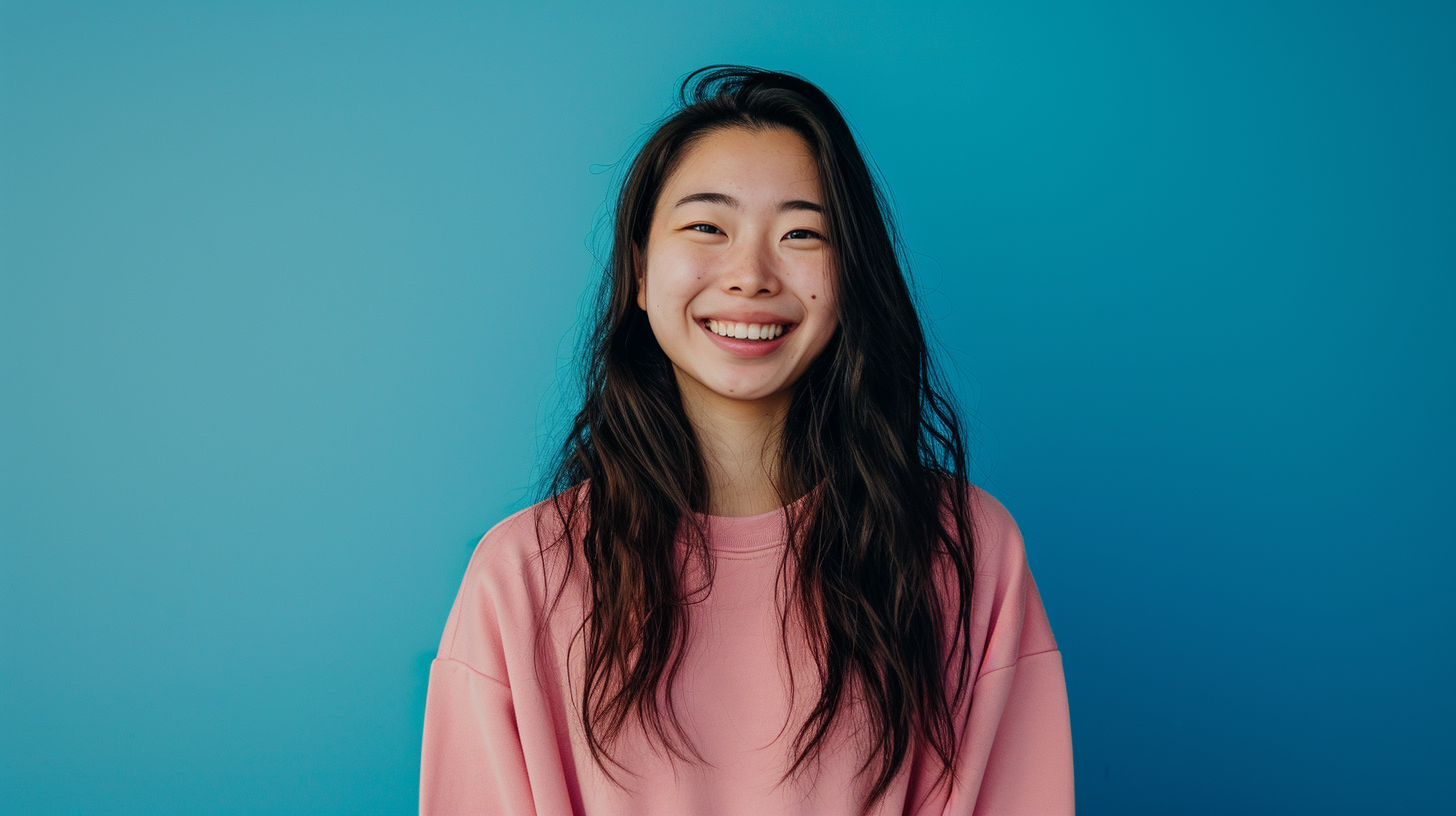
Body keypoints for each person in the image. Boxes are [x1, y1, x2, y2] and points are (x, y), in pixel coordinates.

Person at [419, 66, 1073, 815]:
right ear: (638, 270)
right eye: (707, 226)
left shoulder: (967, 547)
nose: (750, 275)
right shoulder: (522, 575)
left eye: (801, 233)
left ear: (852, 276)